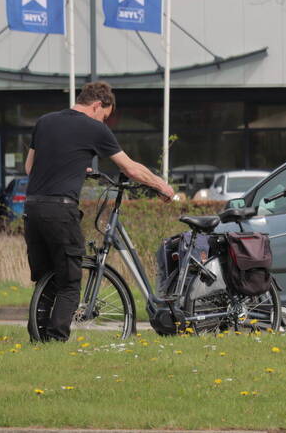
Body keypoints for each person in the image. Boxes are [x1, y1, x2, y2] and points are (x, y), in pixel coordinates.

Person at [23, 81, 174, 341]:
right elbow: (131, 169)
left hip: (32, 208)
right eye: (105, 116)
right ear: (96, 105)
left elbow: (30, 168)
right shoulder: (94, 128)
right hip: (61, 211)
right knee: (69, 282)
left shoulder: (45, 122)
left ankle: (38, 340)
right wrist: (162, 186)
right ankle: (56, 341)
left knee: (46, 279)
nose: (105, 122)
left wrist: (69, 169)